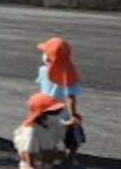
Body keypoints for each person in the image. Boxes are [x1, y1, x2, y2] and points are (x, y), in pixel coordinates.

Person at [35, 37, 85, 167]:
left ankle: (45, 161)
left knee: (46, 140)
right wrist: (73, 115)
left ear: (48, 58)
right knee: (73, 140)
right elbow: (70, 97)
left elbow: (42, 91)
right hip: (64, 116)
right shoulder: (70, 75)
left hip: (45, 114)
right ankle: (68, 161)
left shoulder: (42, 70)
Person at [13, 92, 66, 169]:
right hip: (28, 148)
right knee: (28, 155)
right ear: (41, 114)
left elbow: (60, 132)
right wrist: (30, 165)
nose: (58, 113)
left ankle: (46, 165)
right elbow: (28, 149)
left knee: (51, 149)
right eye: (54, 112)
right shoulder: (31, 129)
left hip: (43, 144)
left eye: (58, 111)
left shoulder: (53, 121)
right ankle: (27, 165)